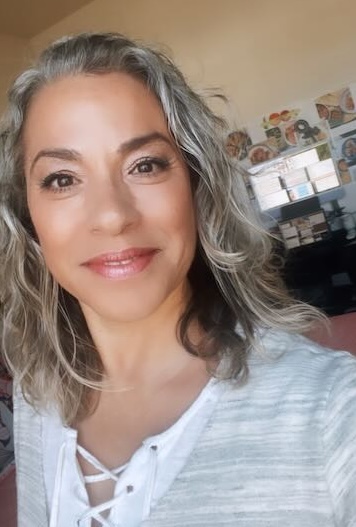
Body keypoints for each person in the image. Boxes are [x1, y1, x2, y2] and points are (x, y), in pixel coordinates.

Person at [0, 33, 355, 527]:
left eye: (144, 165)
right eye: (62, 178)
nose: (112, 216)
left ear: (195, 184)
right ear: (27, 215)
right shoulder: (39, 393)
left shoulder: (331, 412)